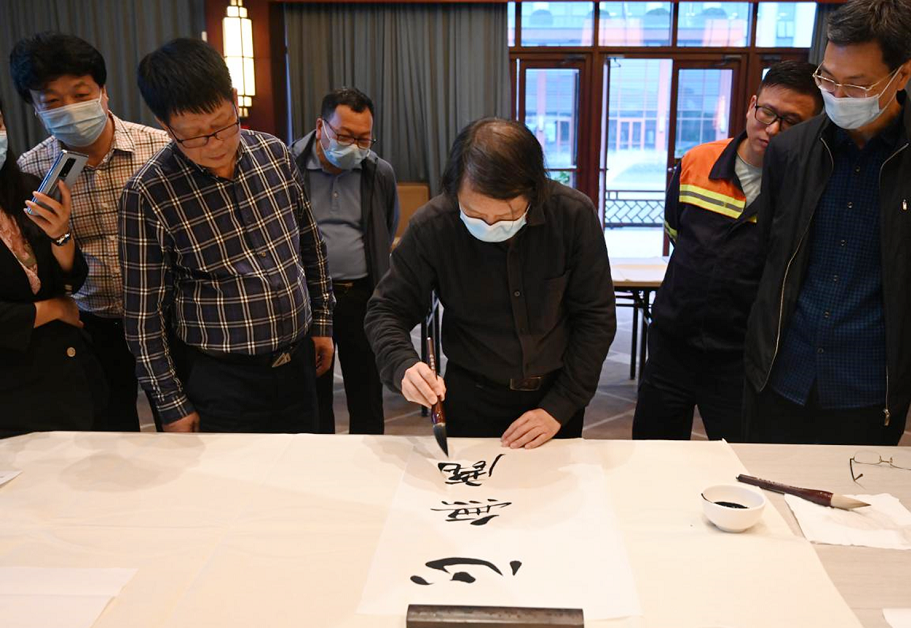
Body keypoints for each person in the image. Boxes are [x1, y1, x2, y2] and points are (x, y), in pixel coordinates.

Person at [743, 0, 911, 445]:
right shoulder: (791, 150)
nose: (837, 94)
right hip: (781, 368)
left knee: (860, 488)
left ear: (903, 74)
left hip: (870, 382)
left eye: (856, 84)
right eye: (828, 78)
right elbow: (769, 254)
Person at [119, 38, 335, 434]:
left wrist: (321, 321)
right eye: (195, 135)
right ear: (166, 126)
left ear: (234, 101)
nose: (215, 144)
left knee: (306, 465)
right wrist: (170, 403)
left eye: (222, 125)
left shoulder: (274, 154)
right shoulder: (148, 193)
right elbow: (143, 315)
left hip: (297, 361)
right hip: (222, 379)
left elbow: (310, 244)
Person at [365, 118, 616, 449]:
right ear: (455, 188)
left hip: (554, 397)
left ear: (534, 190)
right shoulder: (434, 225)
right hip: (473, 397)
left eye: (506, 216)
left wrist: (560, 406)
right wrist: (403, 365)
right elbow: (386, 310)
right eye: (475, 214)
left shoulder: (572, 215)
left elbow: (596, 318)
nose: (490, 224)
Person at [632, 62, 823, 442]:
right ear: (752, 105)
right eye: (767, 112)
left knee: (741, 457)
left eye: (791, 121)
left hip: (742, 355)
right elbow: (675, 231)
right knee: (653, 452)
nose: (773, 129)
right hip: (672, 342)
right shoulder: (697, 161)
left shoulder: (810, 185)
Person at [10, 32, 170, 431]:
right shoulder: (32, 173)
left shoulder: (160, 150)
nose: (69, 108)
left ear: (103, 92)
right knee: (109, 436)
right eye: (52, 102)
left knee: (184, 430)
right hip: (92, 325)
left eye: (81, 94)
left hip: (166, 318)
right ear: (35, 109)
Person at [290, 87, 399, 434]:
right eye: (345, 136)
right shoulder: (288, 166)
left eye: (364, 139)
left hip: (361, 294)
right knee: (312, 391)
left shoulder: (378, 172)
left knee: (367, 390)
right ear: (320, 126)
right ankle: (321, 460)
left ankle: (369, 459)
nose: (354, 146)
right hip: (306, 298)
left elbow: (387, 226)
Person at [0, 95, 106, 435]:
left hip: (70, 373)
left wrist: (61, 235)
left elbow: (71, 280)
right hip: (12, 393)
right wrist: (54, 309)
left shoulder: (27, 190)